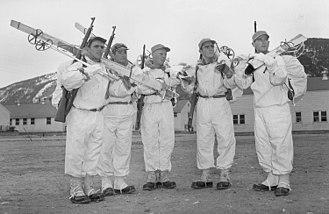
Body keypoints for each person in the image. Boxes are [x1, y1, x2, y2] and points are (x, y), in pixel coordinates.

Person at [234, 31, 304, 196]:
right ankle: (271, 177)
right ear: (253, 44)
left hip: (277, 107)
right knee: (263, 144)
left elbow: (278, 79)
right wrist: (239, 70)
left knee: (281, 143)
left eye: (266, 40)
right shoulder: (251, 62)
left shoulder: (277, 59)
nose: (263, 43)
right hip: (260, 108)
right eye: (259, 40)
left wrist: (269, 62)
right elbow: (243, 84)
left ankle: (284, 180)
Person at [183, 38, 238, 190]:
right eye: (206, 47)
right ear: (200, 50)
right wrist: (190, 116)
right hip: (203, 104)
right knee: (203, 139)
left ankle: (224, 174)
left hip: (220, 102)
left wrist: (227, 71)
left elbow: (232, 83)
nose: (210, 49)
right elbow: (191, 91)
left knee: (225, 137)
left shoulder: (222, 64)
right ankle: (205, 174)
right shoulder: (196, 68)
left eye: (212, 46)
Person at [59, 36, 108, 204]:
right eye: (96, 46)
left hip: (98, 113)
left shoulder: (105, 68)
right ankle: (75, 188)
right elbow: (67, 81)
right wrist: (87, 72)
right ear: (87, 48)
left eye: (102, 47)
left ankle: (90, 186)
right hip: (80, 113)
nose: (100, 49)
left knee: (94, 152)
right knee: (76, 151)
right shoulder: (78, 65)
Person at [135, 44, 180, 191]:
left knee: (167, 140)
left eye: (165, 54)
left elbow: (177, 81)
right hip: (150, 106)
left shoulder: (169, 70)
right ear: (152, 55)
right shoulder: (144, 71)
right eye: (160, 53)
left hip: (165, 106)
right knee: (150, 140)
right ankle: (152, 175)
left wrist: (162, 84)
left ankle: (165, 174)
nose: (163, 56)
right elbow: (140, 88)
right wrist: (160, 86)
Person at [97, 43, 136, 196]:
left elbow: (135, 87)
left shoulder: (132, 70)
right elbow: (111, 89)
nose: (123, 55)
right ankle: (106, 182)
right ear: (112, 54)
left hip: (126, 110)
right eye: (119, 52)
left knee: (123, 147)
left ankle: (120, 180)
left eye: (125, 52)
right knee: (105, 147)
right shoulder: (106, 68)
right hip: (109, 109)